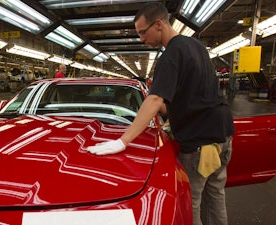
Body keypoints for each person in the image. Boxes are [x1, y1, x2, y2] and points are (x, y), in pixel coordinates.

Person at [86, 3, 235, 225]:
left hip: (200, 142)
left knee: (190, 202)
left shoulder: (171, 55)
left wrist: (123, 140)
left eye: (142, 32)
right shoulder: (196, 46)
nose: (141, 39)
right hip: (223, 135)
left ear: (158, 24)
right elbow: (188, 96)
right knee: (215, 195)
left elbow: (155, 99)